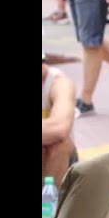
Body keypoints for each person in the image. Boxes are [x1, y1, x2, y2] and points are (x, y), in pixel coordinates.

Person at [42, 53, 78, 183]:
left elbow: (59, 129)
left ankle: (49, 201)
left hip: (53, 159)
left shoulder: (59, 83)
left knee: (59, 143)